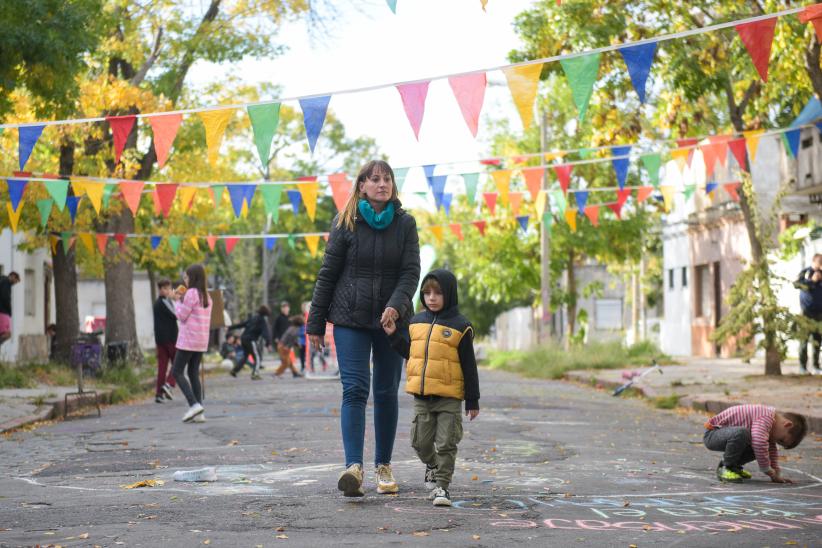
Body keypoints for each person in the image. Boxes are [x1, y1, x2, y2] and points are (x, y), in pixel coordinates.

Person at [307, 159, 420, 498]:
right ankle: (353, 468)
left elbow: (410, 273)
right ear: (362, 186)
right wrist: (315, 321)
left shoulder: (406, 224)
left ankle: (383, 465)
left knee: (386, 391)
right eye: (375, 179)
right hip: (349, 319)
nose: (382, 184)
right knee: (355, 390)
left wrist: (396, 306)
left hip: (390, 322)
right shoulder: (345, 223)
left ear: (392, 186)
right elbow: (328, 273)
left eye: (387, 179)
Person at [384, 269, 480, 507]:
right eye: (427, 293)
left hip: (449, 397)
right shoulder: (416, 322)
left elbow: (469, 365)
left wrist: (472, 400)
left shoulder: (461, 326)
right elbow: (411, 353)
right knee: (420, 442)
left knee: (447, 443)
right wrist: (394, 335)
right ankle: (432, 465)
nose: (432, 297)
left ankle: (442, 488)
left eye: (438, 293)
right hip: (422, 396)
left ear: (449, 293)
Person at [703, 404, 807, 483]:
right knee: (749, 437)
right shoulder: (766, 417)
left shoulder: (772, 428)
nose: (776, 442)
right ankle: (726, 467)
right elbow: (759, 443)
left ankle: (733, 466)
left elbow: (770, 451)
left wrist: (775, 475)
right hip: (713, 434)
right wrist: (766, 469)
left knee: (760, 446)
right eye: (781, 440)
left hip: (728, 435)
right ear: (787, 424)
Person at [171, 264, 212, 423]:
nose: (184, 280)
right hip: (201, 340)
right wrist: (182, 299)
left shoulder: (191, 293)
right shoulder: (207, 295)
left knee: (176, 372)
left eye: (186, 277)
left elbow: (181, 316)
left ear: (193, 277)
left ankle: (193, 404)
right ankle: (200, 412)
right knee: (193, 373)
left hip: (188, 339)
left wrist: (176, 301)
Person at [794, 254, 822, 375]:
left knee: (817, 341)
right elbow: (796, 284)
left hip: (819, 314)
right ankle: (802, 367)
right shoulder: (805, 272)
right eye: (819, 263)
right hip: (806, 313)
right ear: (814, 262)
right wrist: (812, 281)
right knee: (804, 341)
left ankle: (816, 366)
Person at [229, 306, 273, 380]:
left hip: (243, 339)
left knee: (245, 356)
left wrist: (230, 327)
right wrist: (268, 344)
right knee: (258, 357)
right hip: (250, 340)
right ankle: (255, 374)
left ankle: (234, 370)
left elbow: (242, 324)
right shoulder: (262, 320)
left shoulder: (253, 318)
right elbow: (265, 333)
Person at [153, 279, 178, 404]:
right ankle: (169, 384)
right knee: (178, 362)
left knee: (162, 367)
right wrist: (176, 300)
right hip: (170, 339)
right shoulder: (165, 302)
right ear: (160, 290)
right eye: (164, 288)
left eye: (168, 288)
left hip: (160, 339)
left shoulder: (157, 303)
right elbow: (177, 314)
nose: (166, 290)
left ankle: (159, 394)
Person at [0, 271, 20, 348]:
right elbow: (5, 298)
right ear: (13, 276)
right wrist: (9, 310)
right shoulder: (6, 282)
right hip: (3, 312)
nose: (15, 283)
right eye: (16, 281)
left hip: (2, 311)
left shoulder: (2, 280)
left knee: (5, 334)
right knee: (7, 334)